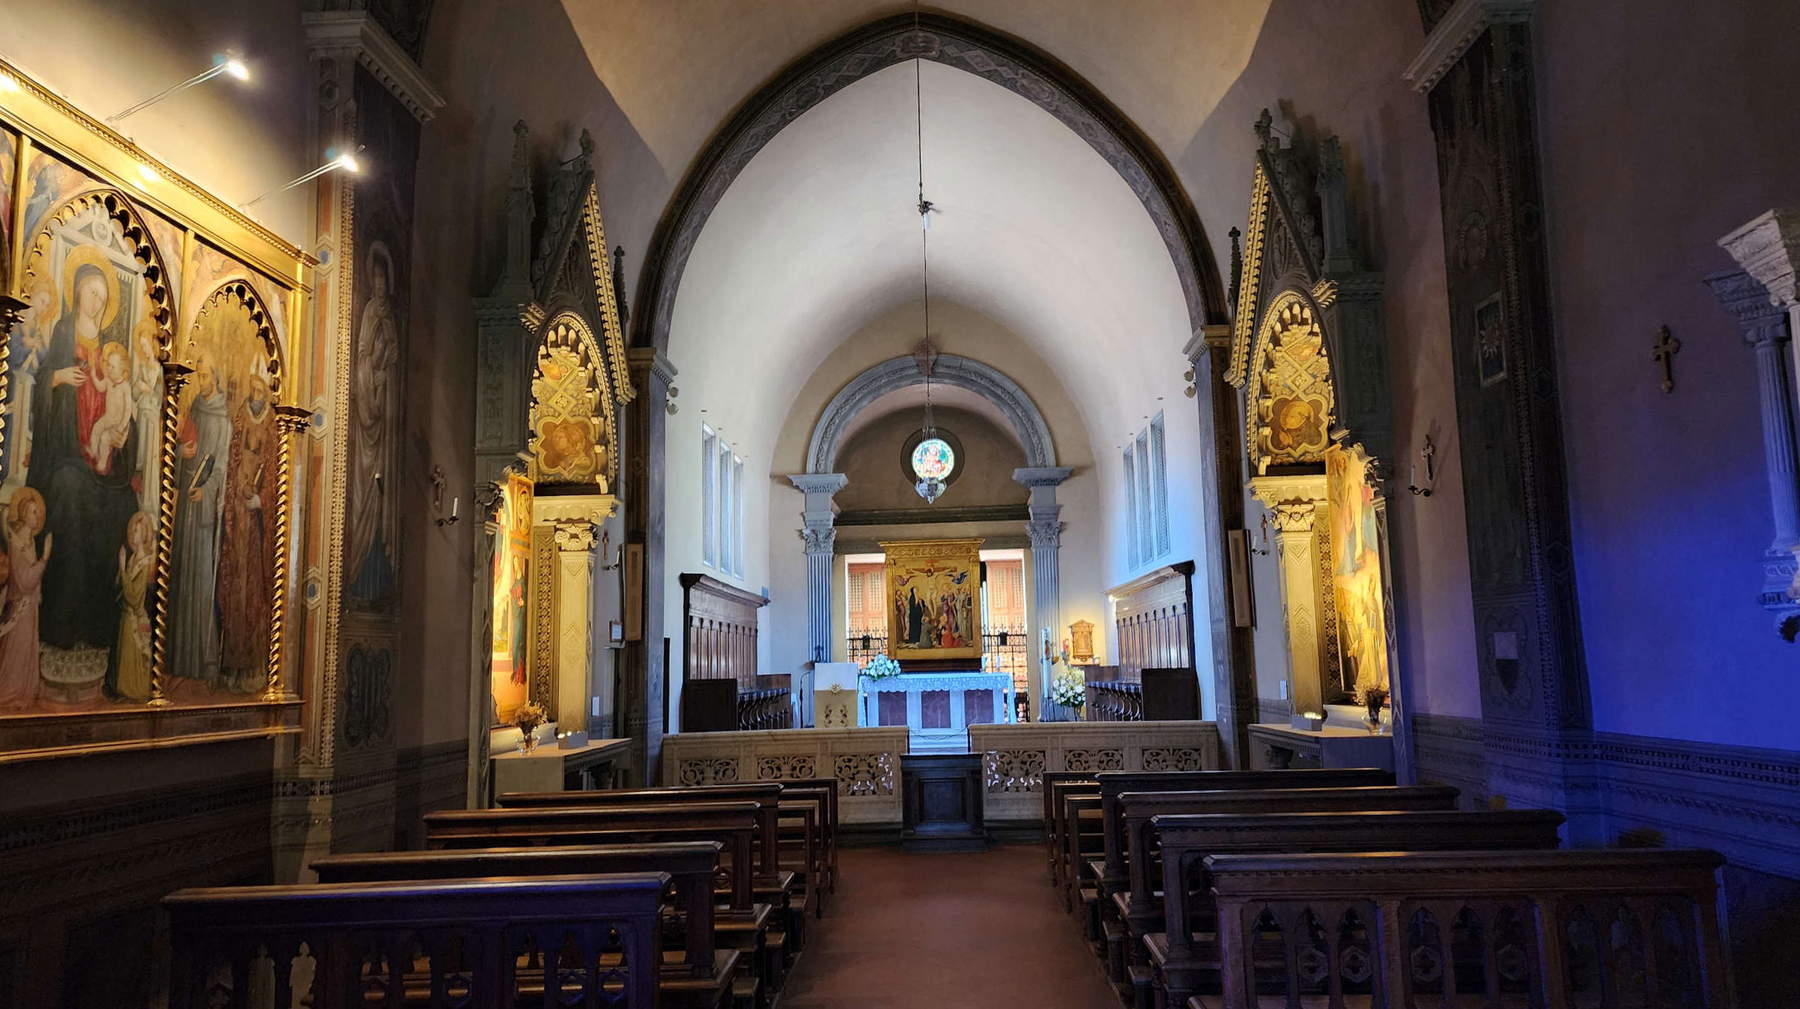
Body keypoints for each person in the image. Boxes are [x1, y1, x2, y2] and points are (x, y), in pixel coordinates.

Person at [29, 255, 141, 652]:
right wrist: (58, 377)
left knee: (124, 502)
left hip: (102, 459)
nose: (97, 301)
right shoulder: (63, 330)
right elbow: (42, 382)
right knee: (68, 489)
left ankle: (100, 628)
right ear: (78, 292)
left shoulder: (112, 344)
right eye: (93, 293)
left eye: (103, 296)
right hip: (68, 452)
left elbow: (124, 399)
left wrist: (126, 434)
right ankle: (62, 625)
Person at [168, 357, 231, 685]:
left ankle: (197, 659)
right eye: (200, 375)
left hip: (202, 504)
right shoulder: (193, 408)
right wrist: (182, 455)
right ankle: (176, 657)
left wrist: (205, 491)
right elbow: (181, 447)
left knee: (199, 579)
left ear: (216, 379)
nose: (201, 380)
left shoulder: (223, 420)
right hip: (186, 503)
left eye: (205, 375)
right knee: (179, 575)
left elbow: (220, 466)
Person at [0, 489, 50, 708]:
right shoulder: (17, 542)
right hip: (19, 609)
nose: (37, 517)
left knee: (26, 650)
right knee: (16, 652)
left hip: (29, 609)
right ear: (22, 514)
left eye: (38, 513)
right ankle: (11, 694)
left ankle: (24, 692)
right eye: (33, 512)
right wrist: (44, 558)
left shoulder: (29, 539)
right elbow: (24, 581)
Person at [107, 510, 153, 702]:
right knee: (124, 660)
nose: (133, 535)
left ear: (145, 535)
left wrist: (122, 566)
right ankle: (124, 691)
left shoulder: (146, 562)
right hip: (126, 617)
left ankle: (135, 692)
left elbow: (134, 597)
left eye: (137, 531)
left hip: (136, 618)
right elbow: (121, 589)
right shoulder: (134, 559)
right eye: (132, 531)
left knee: (135, 661)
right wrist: (123, 569)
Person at [84, 343, 133, 475]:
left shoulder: (125, 387)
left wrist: (122, 426)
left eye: (113, 367)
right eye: (109, 365)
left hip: (117, 422)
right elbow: (100, 387)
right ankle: (93, 451)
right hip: (107, 418)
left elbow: (128, 410)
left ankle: (102, 463)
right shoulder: (108, 380)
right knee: (96, 428)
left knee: (105, 438)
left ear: (123, 370)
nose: (109, 369)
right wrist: (94, 376)